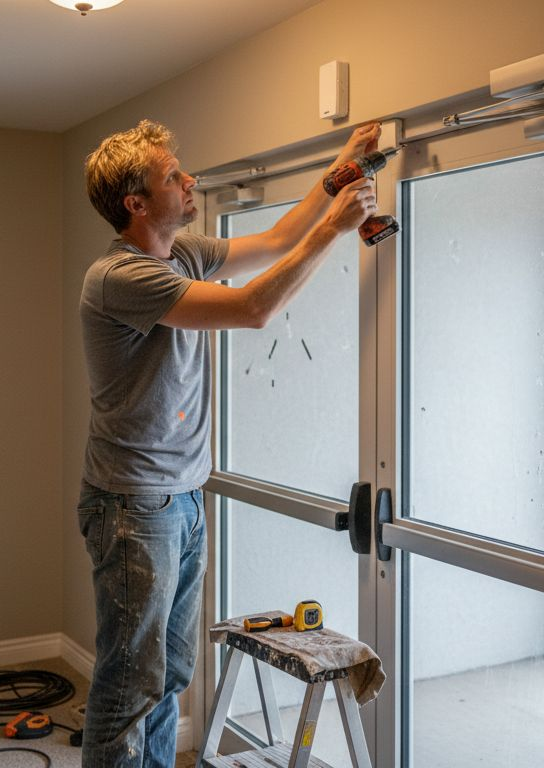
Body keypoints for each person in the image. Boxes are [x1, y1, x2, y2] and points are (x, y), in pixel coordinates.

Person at [76, 119, 380, 767]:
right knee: (130, 686)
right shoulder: (119, 276)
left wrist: (341, 169)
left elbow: (276, 240)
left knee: (170, 674)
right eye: (172, 176)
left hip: (183, 498)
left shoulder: (182, 253)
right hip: (133, 506)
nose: (189, 180)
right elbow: (252, 309)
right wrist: (335, 229)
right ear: (136, 203)